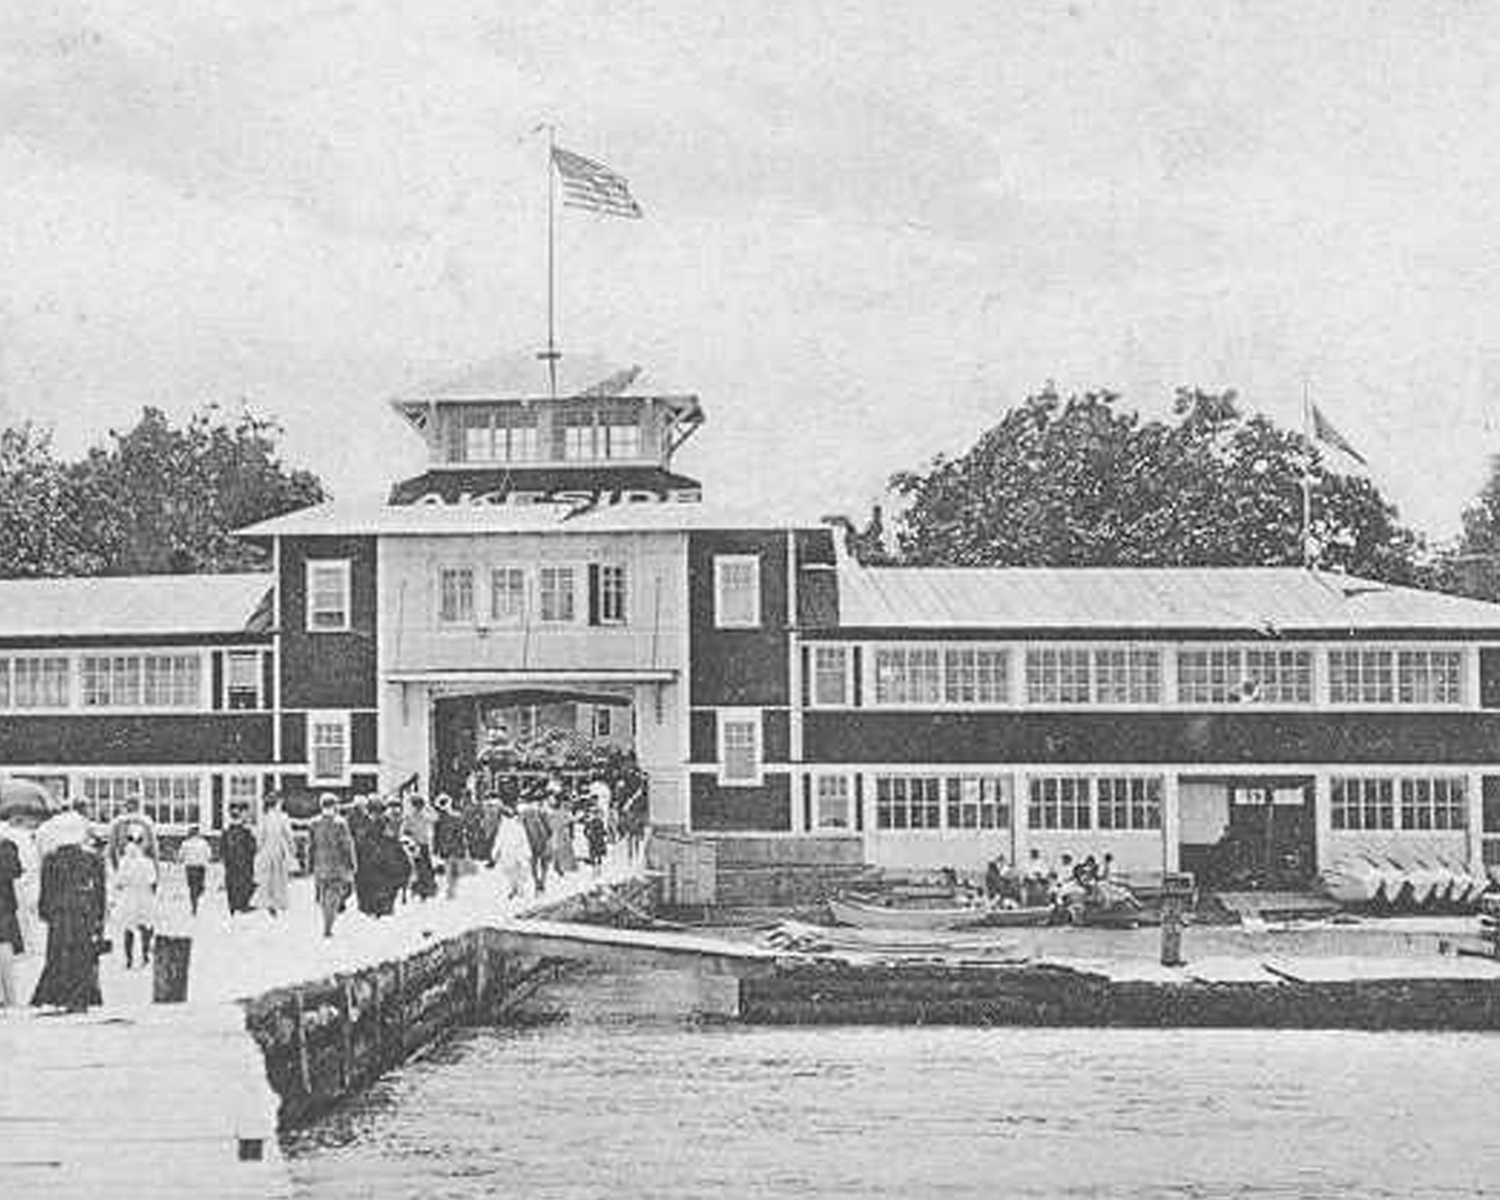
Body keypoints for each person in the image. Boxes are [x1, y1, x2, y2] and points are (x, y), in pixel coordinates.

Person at [31, 811, 106, 1012]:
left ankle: (57, 995)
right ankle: (80, 997)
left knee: (58, 953)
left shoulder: (51, 858)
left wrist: (44, 911)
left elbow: (46, 888)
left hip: (59, 911)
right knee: (82, 954)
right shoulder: (92, 858)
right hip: (84, 910)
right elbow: (100, 890)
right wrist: (100, 916)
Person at [308, 794, 357, 938]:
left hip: (320, 866)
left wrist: (309, 865)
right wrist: (352, 864)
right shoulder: (340, 823)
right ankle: (328, 925)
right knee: (335, 894)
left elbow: (310, 846)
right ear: (334, 806)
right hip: (337, 866)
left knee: (324, 895)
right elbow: (347, 846)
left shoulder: (314, 823)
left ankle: (327, 920)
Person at [113, 835, 159, 969]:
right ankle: (145, 956)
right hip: (144, 895)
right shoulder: (147, 862)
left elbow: (119, 882)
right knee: (145, 925)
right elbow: (153, 881)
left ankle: (129, 959)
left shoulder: (124, 863)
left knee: (128, 928)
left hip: (129, 897)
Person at [254, 794, 296, 918]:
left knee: (268, 877)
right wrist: (292, 848)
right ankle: (279, 901)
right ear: (277, 804)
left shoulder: (264, 818)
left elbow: (261, 836)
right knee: (279, 876)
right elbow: (288, 834)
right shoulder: (283, 817)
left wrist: (259, 849)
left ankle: (269, 901)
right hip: (278, 848)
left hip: (267, 849)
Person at [0, 823, 25, 1006]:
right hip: (4, 904)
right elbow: (15, 872)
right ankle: (10, 997)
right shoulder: (7, 846)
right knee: (5, 947)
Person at [400, 794, 438, 901]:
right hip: (415, 845)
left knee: (425, 867)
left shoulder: (423, 815)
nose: (418, 807)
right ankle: (419, 890)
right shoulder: (409, 817)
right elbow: (403, 831)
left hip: (423, 844)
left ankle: (425, 889)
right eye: (416, 805)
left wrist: (428, 808)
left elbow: (435, 818)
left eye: (419, 805)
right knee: (418, 868)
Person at [490, 806, 532, 901]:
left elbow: (524, 839)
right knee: (511, 872)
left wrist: (527, 851)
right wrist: (495, 852)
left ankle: (519, 888)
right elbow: (499, 840)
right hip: (509, 852)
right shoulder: (504, 826)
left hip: (517, 851)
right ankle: (514, 888)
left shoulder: (518, 825)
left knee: (520, 871)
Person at [222, 805, 258, 915]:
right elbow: (253, 848)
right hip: (243, 862)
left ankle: (233, 905)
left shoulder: (227, 832)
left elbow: (223, 850)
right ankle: (242, 904)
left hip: (232, 863)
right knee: (244, 882)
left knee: (232, 882)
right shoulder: (246, 832)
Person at [433, 794, 469, 900]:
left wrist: (436, 849)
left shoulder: (445, 819)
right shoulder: (446, 819)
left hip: (449, 846)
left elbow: (461, 834)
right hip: (451, 847)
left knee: (451, 869)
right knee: (451, 869)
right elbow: (436, 836)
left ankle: (451, 890)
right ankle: (451, 890)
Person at [106, 801, 160, 871]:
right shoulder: (147, 822)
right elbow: (154, 851)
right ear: (139, 807)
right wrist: (156, 870)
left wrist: (116, 868)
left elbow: (112, 848)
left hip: (124, 865)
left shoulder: (117, 823)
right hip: (144, 867)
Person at [519, 790, 552, 895]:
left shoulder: (523, 812)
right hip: (542, 838)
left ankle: (536, 882)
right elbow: (548, 827)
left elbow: (520, 827)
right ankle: (542, 881)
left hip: (529, 840)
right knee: (544, 862)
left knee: (533, 863)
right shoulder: (542, 811)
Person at [179, 825, 212, 917]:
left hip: (190, 867)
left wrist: (181, 860)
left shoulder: (185, 843)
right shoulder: (204, 843)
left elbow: (181, 855)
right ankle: (198, 894)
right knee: (199, 884)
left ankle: (194, 903)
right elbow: (209, 855)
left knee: (191, 886)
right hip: (200, 867)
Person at [582, 802, 609, 877]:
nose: (596, 815)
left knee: (598, 856)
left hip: (598, 841)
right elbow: (585, 831)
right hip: (592, 841)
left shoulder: (599, 822)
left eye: (597, 814)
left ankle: (598, 870)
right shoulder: (589, 822)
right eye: (595, 814)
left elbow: (603, 831)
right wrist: (587, 834)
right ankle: (595, 871)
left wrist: (604, 834)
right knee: (594, 856)